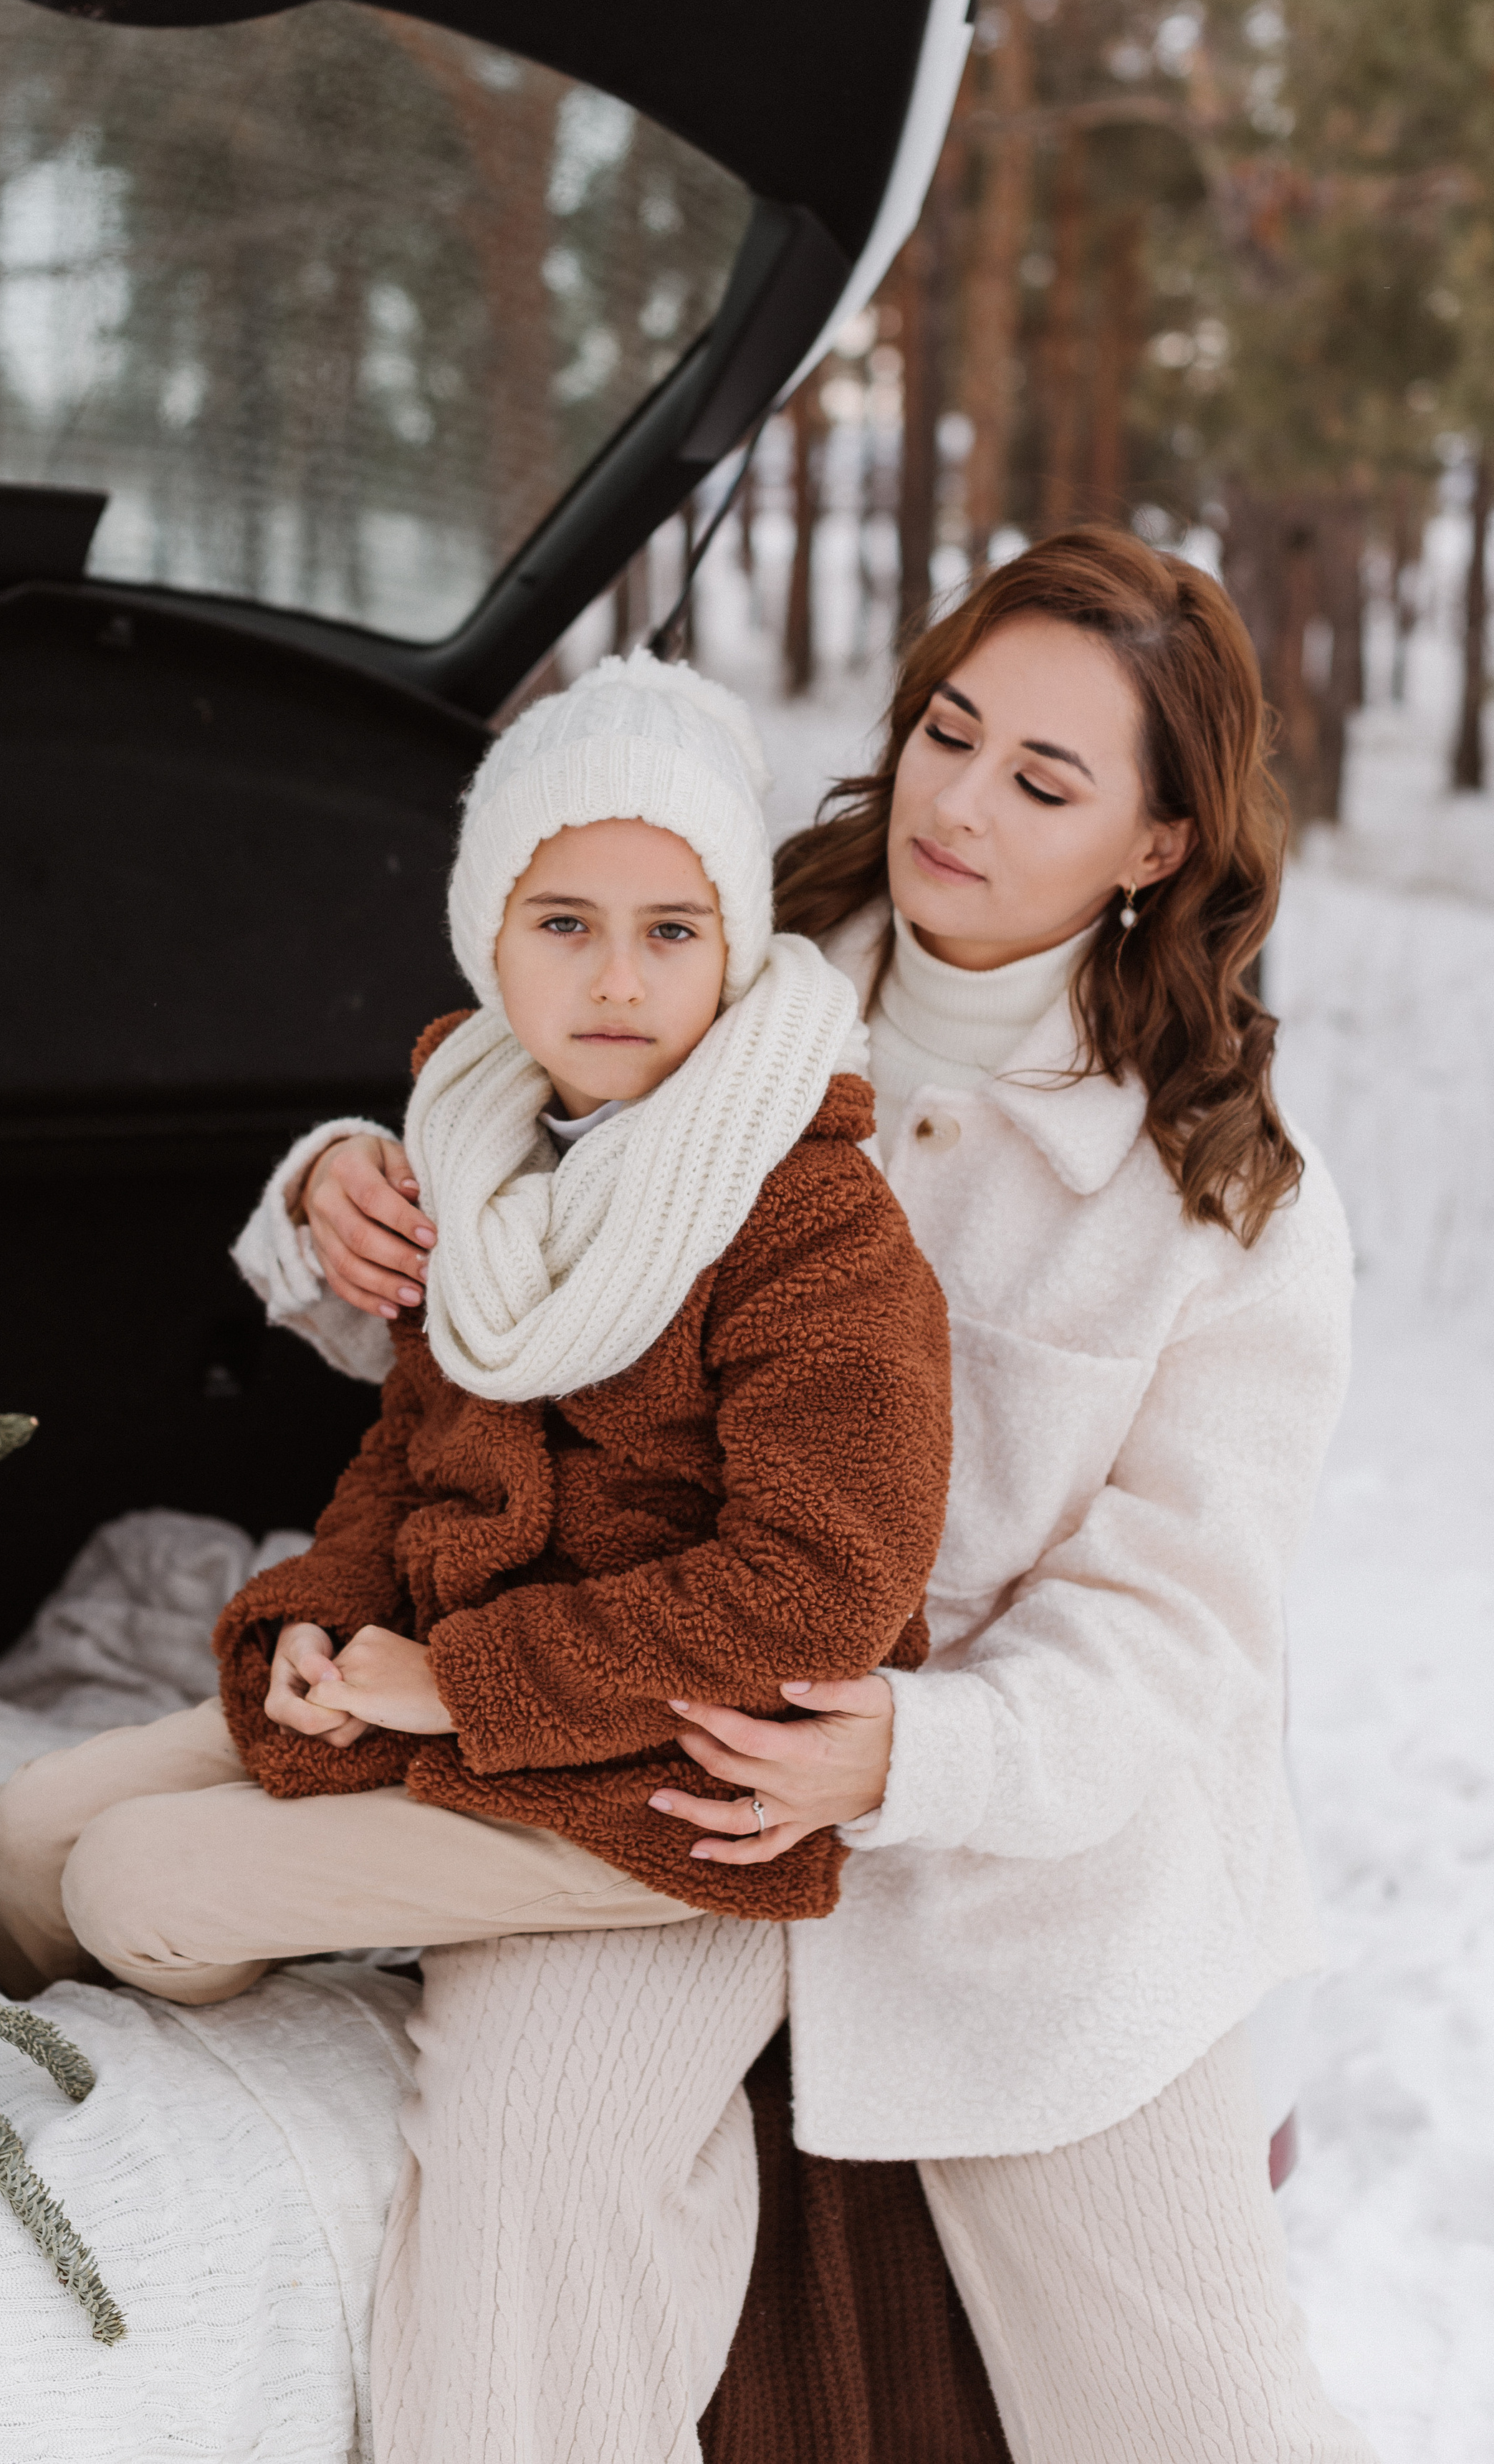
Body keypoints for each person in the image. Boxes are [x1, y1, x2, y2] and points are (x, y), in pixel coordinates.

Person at [272, 529, 1379, 2464]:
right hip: (650, 1782)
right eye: (948, 730)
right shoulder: (704, 955)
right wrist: (322, 1209)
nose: (955, 803)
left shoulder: (1230, 1204)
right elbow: (489, 1289)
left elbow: (1177, 1635)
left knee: (1203, 2419)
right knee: (526, 2224)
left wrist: (912, 1756)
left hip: (1030, 1882)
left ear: (1156, 845)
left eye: (1042, 781)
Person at [0, 656, 949, 2327]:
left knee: (140, 1882)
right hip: (438, 1672)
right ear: (485, 939)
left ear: (734, 944)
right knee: (24, 1829)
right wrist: (330, 1616)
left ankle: (167, 2205)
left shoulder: (809, 1220)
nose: (619, 978)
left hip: (671, 1778)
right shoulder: (483, 1147)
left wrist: (458, 1684)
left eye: (671, 927)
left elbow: (815, 1588)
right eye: (562, 923)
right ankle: (16, 2126)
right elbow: (407, 1452)